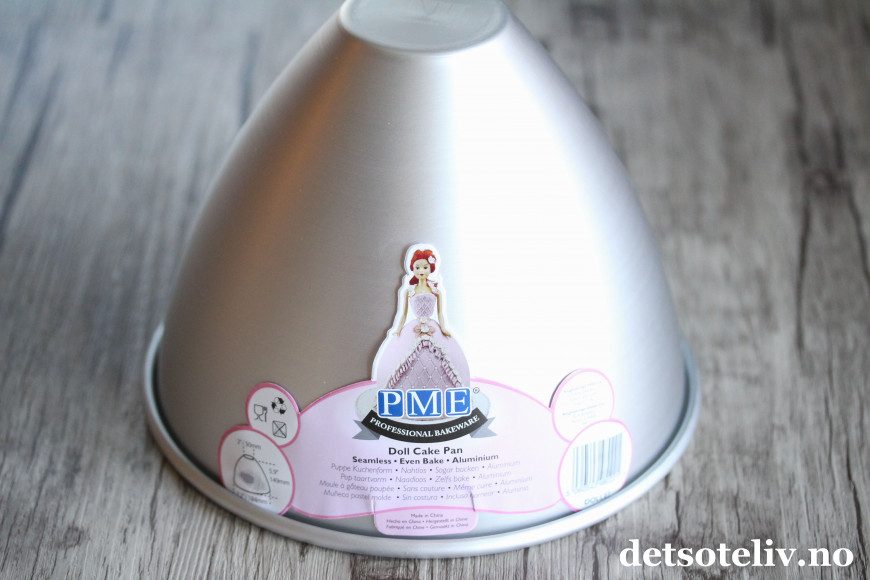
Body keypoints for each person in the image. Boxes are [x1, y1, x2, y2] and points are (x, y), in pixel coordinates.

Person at [374, 246, 470, 395]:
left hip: (433, 327)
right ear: (412, 269)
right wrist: (398, 329)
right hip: (413, 328)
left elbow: (440, 312)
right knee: (402, 358)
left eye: (425, 267)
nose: (421, 271)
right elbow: (403, 314)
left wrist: (443, 328)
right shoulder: (409, 291)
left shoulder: (436, 291)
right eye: (417, 267)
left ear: (430, 269)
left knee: (444, 359)